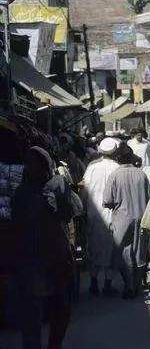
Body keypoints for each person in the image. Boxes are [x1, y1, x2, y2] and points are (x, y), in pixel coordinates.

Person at [12, 147, 75, 349]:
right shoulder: (30, 195)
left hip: (41, 262)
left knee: (44, 312)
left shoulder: (39, 192)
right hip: (43, 262)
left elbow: (67, 213)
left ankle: (51, 344)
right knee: (46, 311)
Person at [103, 144, 150, 299]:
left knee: (123, 252)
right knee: (139, 251)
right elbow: (149, 198)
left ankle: (129, 287)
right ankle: (136, 285)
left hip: (122, 219)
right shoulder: (141, 175)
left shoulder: (115, 175)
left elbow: (107, 201)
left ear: (117, 158)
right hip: (141, 217)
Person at [80, 138, 120, 296]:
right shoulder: (117, 168)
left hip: (93, 213)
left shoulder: (92, 167)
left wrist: (82, 207)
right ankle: (108, 284)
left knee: (93, 248)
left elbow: (84, 189)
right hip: (112, 213)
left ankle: (94, 282)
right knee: (110, 249)